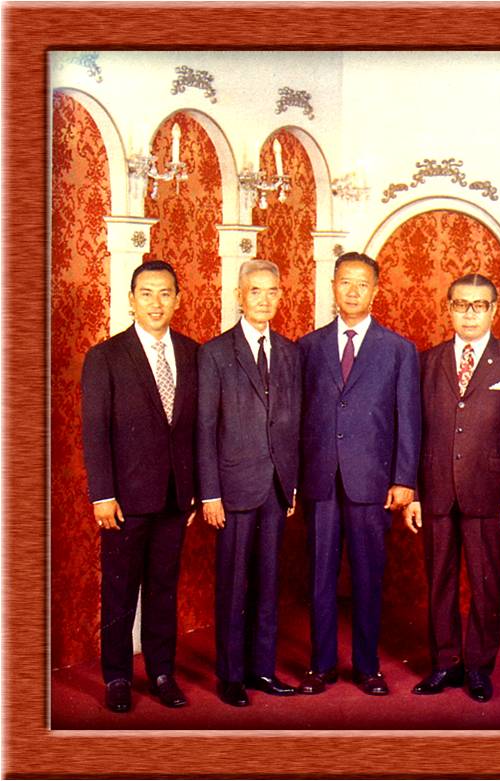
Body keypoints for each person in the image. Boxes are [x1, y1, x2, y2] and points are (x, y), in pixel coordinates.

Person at [405, 273, 500, 703]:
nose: (469, 313)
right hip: (437, 491)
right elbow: (415, 432)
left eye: (479, 305)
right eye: (461, 304)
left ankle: (479, 667)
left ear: (494, 310)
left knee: (486, 584)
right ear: (449, 308)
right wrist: (415, 493)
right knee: (439, 581)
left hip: (491, 494)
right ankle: (445, 664)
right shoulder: (428, 361)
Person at [297, 251, 421, 696]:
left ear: (375, 291)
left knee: (369, 576)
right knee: (320, 576)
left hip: (373, 482)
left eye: (362, 284)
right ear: (333, 286)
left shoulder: (398, 350)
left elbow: (409, 418)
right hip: (320, 480)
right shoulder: (308, 347)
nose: (352, 291)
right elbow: (296, 417)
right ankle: (321, 665)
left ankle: (368, 667)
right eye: (345, 282)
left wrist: (404, 479)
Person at [81, 260, 199, 713]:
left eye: (165, 293)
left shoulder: (192, 353)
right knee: (120, 589)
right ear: (131, 300)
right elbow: (95, 431)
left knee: (163, 590)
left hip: (174, 497)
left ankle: (162, 673)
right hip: (124, 500)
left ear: (178, 300)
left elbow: (196, 429)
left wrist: (194, 488)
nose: (156, 302)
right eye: (146, 293)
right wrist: (102, 494)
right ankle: (117, 677)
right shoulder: (106, 357)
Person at [197, 259, 301, 707]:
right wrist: (210, 492)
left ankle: (262, 669)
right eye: (255, 291)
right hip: (233, 488)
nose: (264, 299)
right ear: (240, 296)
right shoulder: (216, 353)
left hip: (276, 487)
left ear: (281, 296)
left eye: (271, 291)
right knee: (234, 584)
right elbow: (204, 428)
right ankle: (231, 675)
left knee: (268, 584)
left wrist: (291, 484)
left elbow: (293, 422)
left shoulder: (291, 353)